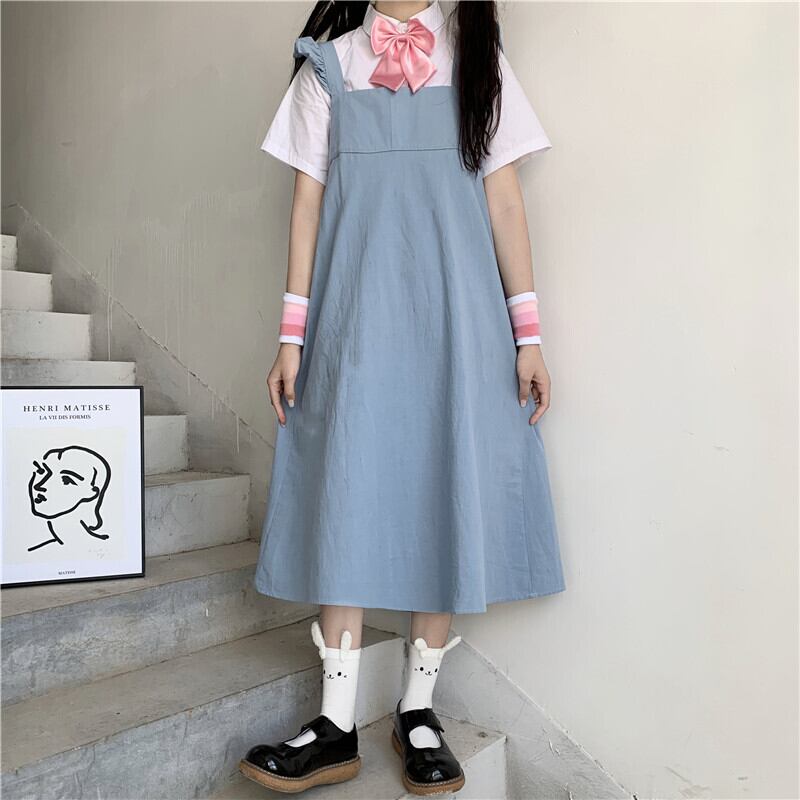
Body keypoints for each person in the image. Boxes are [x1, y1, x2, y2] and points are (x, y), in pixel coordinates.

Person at [240, 1, 565, 794]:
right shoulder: (327, 67)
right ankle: (335, 722)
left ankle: (418, 709)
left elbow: (505, 199)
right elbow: (307, 205)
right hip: (354, 317)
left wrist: (528, 334)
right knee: (343, 492)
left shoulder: (478, 58)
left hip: (458, 321)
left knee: (442, 488)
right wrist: (292, 336)